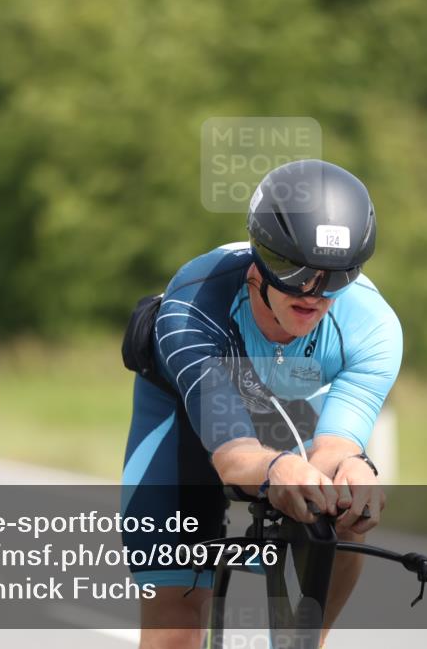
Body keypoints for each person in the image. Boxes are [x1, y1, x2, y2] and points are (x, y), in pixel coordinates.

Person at [121, 159, 402, 648]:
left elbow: (336, 445)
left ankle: (305, 642)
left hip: (290, 396)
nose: (314, 293)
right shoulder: (194, 306)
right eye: (296, 271)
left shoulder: (373, 328)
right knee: (177, 623)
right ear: (263, 259)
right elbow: (235, 456)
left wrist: (354, 471)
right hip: (187, 407)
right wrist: (275, 471)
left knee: (341, 506)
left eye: (335, 277)